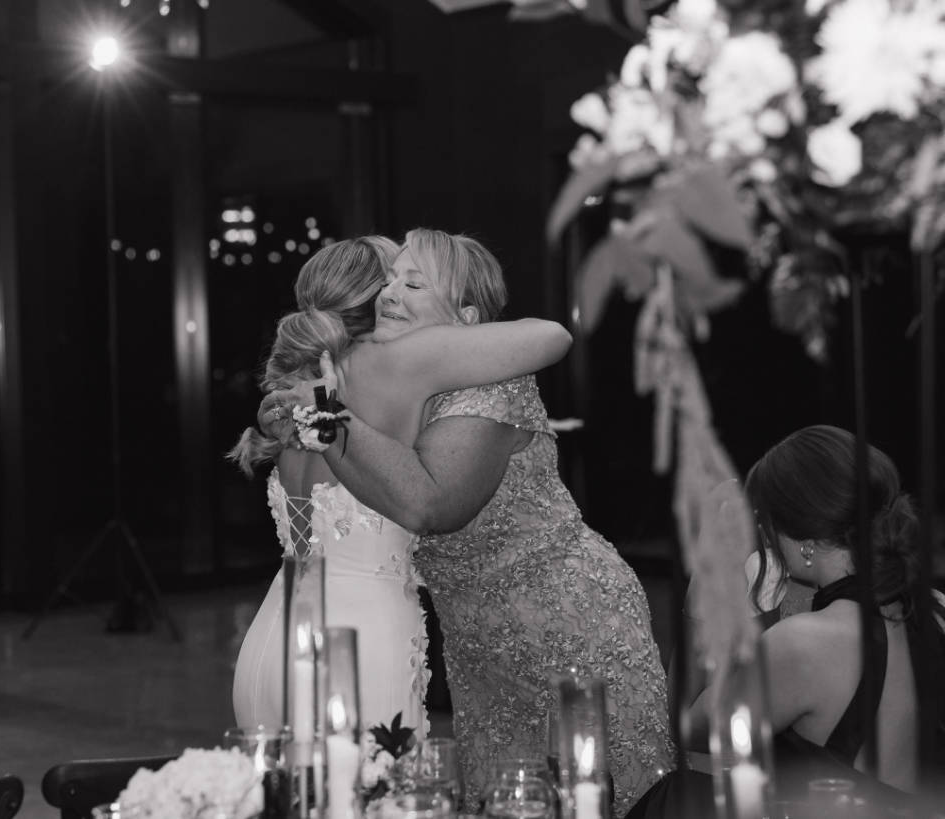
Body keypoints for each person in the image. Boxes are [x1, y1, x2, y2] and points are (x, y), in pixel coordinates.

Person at [262, 228, 674, 817]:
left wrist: (323, 413)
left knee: (606, 799)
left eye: (414, 282)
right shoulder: (396, 380)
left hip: (568, 622)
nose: (389, 294)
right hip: (477, 643)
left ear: (467, 317)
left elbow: (433, 507)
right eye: (389, 279)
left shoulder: (490, 384)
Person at [230, 235, 573, 740]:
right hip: (359, 645)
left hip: (269, 641)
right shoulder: (401, 361)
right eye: (394, 279)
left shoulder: (301, 385)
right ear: (373, 298)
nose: (398, 291)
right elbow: (551, 336)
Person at [629, 425, 945, 818]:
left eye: (766, 524)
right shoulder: (934, 611)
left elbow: (686, 726)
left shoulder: (806, 644)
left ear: (803, 542)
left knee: (680, 795)